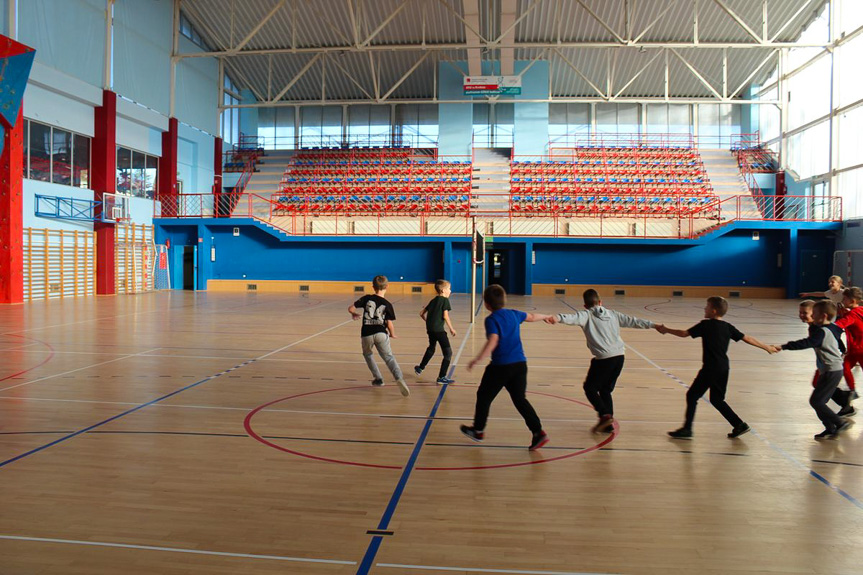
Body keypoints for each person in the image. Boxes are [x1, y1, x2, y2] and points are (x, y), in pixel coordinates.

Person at [545, 289, 659, 433]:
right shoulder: (613, 314)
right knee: (605, 390)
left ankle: (604, 416)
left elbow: (571, 318)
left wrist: (556, 318)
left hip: (605, 359)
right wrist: (654, 325)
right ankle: (608, 425)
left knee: (590, 388)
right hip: (620, 357)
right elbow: (634, 321)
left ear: (585, 305)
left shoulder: (585, 315)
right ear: (600, 302)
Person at [661, 296, 775, 439]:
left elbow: (684, 334)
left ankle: (687, 429)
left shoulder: (705, 325)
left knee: (692, 395)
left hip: (710, 368)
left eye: (707, 307)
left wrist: (666, 329)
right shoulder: (728, 327)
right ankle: (739, 424)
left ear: (713, 311)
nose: (704, 309)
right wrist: (766, 347)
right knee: (717, 399)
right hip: (724, 368)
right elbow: (747, 338)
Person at [460, 284, 553, 451]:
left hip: (500, 367)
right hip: (520, 365)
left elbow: (493, 340)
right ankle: (538, 432)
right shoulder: (513, 314)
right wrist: (546, 316)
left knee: (484, 396)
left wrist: (478, 358)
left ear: (487, 304)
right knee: (520, 399)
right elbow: (531, 316)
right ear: (504, 300)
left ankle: (478, 430)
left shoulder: (491, 319)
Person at [773, 300, 854, 440]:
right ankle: (831, 427)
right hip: (828, 370)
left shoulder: (821, 332)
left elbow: (808, 342)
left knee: (817, 401)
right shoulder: (827, 328)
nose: (803, 315)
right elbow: (835, 334)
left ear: (822, 316)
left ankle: (839, 422)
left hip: (832, 370)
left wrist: (784, 346)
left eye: (812, 314)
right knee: (817, 401)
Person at [348, 275, 410, 397]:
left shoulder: (367, 298)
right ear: (387, 286)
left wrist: (354, 313)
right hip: (381, 333)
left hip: (366, 334)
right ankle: (399, 378)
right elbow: (389, 323)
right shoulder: (387, 304)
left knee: (368, 355)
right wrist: (392, 334)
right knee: (388, 357)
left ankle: (378, 378)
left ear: (373, 286)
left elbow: (350, 308)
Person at [414, 279, 458, 384]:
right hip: (439, 331)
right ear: (443, 290)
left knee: (431, 348)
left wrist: (429, 322)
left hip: (430, 330)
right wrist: (451, 328)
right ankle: (441, 377)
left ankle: (420, 368)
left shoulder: (433, 300)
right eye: (449, 289)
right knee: (448, 353)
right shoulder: (445, 301)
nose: (450, 291)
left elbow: (421, 313)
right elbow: (445, 316)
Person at [833, 286, 862, 415]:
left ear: (853, 300)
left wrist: (826, 326)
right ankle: (851, 391)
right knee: (845, 367)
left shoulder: (852, 314)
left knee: (845, 367)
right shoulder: (859, 311)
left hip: (860, 350)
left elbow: (841, 324)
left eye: (845, 298)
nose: (843, 300)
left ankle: (851, 391)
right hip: (853, 350)